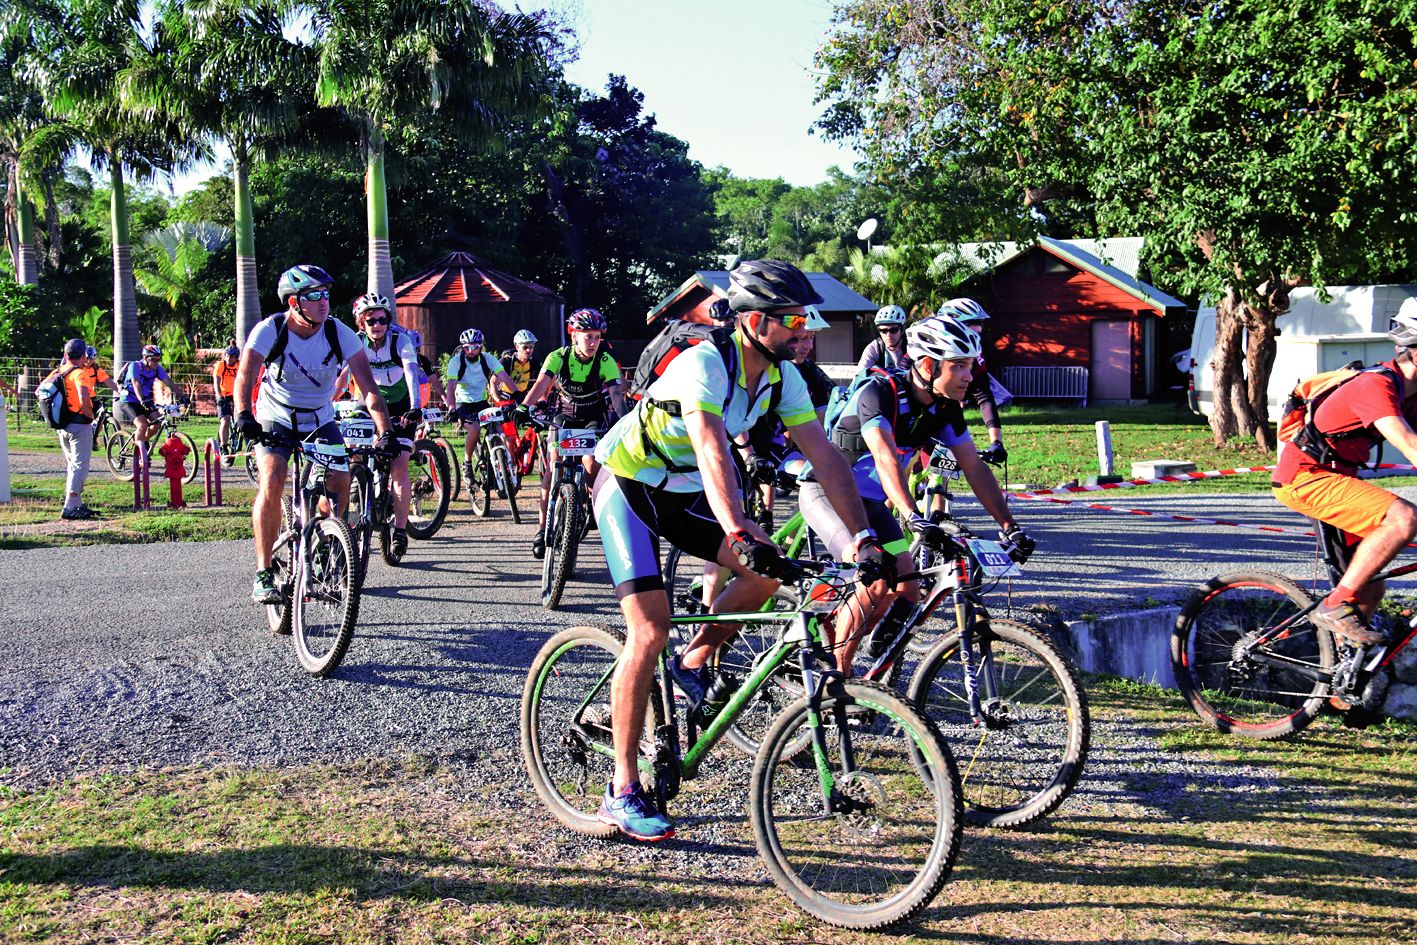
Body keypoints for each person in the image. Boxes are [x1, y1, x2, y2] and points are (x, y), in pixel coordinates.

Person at [591, 259, 887, 841]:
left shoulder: (785, 376)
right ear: (754, 321)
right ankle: (621, 789)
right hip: (627, 485)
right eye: (795, 320)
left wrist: (860, 539)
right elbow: (710, 449)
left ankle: (692, 663)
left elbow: (826, 458)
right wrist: (736, 532)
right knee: (648, 629)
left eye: (810, 319)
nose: (808, 331)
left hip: (680, 492)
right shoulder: (704, 361)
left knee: (770, 575)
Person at [799, 314, 1035, 673]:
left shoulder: (944, 407)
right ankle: (839, 678)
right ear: (927, 364)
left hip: (871, 504)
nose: (969, 377)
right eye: (959, 366)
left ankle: (877, 659)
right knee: (876, 580)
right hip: (827, 493)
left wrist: (1009, 526)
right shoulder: (879, 394)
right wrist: (913, 516)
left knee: (908, 589)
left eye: (971, 366)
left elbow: (974, 467)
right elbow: (883, 457)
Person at [235, 263, 395, 605]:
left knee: (339, 477)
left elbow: (369, 389)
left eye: (326, 295)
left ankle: (324, 540)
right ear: (294, 302)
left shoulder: (339, 333)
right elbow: (245, 375)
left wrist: (386, 432)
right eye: (314, 296)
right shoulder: (271, 329)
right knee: (274, 477)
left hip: (319, 419)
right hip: (275, 416)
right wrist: (244, 415)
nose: (324, 302)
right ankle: (264, 572)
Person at [1270, 301, 1417, 646]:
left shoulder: (1412, 396)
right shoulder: (1376, 386)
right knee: (1403, 519)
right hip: (1305, 476)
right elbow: (1409, 443)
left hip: (1339, 478)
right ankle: (1334, 605)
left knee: (1370, 584)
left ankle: (1341, 681)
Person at [521, 308, 625, 559]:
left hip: (592, 417)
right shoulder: (558, 356)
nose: (593, 342)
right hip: (564, 416)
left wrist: (624, 420)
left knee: (591, 466)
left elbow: (616, 394)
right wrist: (524, 408)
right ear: (574, 335)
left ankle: (591, 508)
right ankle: (541, 528)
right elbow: (542, 384)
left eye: (597, 337)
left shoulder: (605, 361)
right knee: (552, 469)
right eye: (587, 336)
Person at [341, 293, 422, 563]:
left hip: (400, 406)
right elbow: (341, 378)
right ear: (361, 323)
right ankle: (357, 481)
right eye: (370, 320)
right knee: (353, 448)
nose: (377, 324)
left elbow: (411, 372)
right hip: (368, 403)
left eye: (382, 319)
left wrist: (416, 405)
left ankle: (400, 529)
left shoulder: (401, 340)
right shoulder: (355, 342)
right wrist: (326, 404)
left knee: (399, 464)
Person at [442, 328, 516, 483]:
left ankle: (501, 464)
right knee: (475, 429)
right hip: (463, 403)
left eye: (474, 347)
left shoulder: (488, 359)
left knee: (498, 429)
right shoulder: (456, 362)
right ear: (463, 347)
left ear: (481, 346)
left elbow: (504, 378)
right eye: (467, 347)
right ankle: (467, 463)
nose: (470, 351)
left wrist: (517, 395)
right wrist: (451, 408)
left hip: (482, 402)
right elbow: (451, 387)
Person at [940, 297, 1007, 463]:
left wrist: (996, 441)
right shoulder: (924, 350)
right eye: (971, 333)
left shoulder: (974, 356)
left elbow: (984, 397)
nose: (977, 340)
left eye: (979, 333)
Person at [50, 338, 98, 520]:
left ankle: (75, 504)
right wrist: (90, 416)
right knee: (80, 466)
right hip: (79, 425)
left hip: (62, 425)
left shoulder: (58, 371)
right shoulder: (80, 373)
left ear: (65, 355)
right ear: (84, 355)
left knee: (72, 465)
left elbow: (40, 390)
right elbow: (83, 395)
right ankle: (71, 505)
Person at [117, 344, 173, 448]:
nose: (156, 362)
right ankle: (137, 454)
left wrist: (182, 396)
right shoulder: (135, 366)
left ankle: (141, 443)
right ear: (145, 358)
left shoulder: (156, 369)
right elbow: (136, 383)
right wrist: (141, 400)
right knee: (142, 425)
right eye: (154, 360)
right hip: (129, 401)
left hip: (145, 400)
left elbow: (168, 381)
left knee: (157, 424)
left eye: (158, 360)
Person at [856, 304, 911, 374]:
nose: (888, 335)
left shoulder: (912, 346)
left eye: (893, 330)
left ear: (902, 329)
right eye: (883, 331)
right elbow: (860, 376)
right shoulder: (875, 348)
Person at [211, 345, 241, 455]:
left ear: (236, 357)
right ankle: (223, 446)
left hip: (236, 394)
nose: (229, 359)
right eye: (227, 356)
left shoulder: (239, 365)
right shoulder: (221, 365)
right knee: (225, 420)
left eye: (232, 357)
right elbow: (216, 382)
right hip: (223, 395)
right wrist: (219, 396)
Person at [497, 330, 539, 404]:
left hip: (522, 398)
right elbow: (491, 384)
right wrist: (500, 402)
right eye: (525, 347)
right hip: (505, 398)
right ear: (517, 347)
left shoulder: (534, 362)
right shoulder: (506, 362)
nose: (528, 350)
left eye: (531, 347)